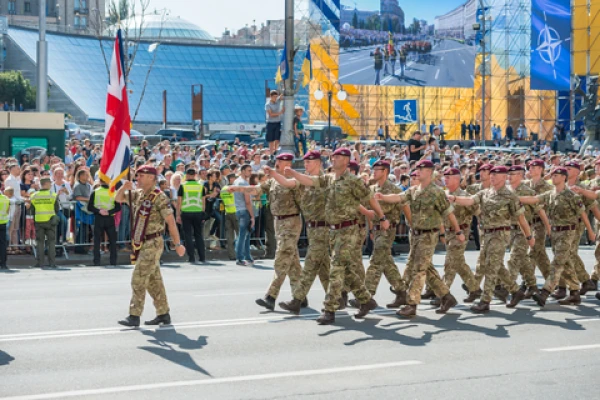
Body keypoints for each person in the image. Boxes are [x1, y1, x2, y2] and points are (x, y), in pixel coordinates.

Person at [286, 147, 388, 325]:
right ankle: (366, 300)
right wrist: (293, 172)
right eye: (332, 156)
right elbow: (309, 181)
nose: (333, 159)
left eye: (337, 157)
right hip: (333, 231)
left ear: (346, 160)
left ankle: (329, 309)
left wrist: (382, 217)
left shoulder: (353, 181)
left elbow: (370, 198)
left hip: (348, 230)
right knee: (346, 269)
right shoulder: (329, 179)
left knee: (336, 269)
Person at [377, 160, 462, 318]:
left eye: (422, 170)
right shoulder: (414, 190)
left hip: (429, 235)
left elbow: (448, 213)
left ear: (429, 172)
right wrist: (382, 197)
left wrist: (458, 231)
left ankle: (412, 304)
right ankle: (447, 297)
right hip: (415, 235)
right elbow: (398, 197)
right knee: (427, 269)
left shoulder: (436, 192)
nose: (418, 172)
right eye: (418, 169)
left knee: (419, 270)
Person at [448, 165, 533, 313]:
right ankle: (516, 290)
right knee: (496, 265)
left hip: (500, 234)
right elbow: (469, 201)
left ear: (504, 177)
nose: (492, 177)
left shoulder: (510, 196)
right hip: (486, 234)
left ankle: (485, 301)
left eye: (496, 174)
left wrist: (529, 236)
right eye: (491, 174)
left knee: (491, 266)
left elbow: (521, 218)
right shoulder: (485, 193)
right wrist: (454, 198)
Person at [230, 153, 302, 311]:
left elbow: (290, 185)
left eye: (280, 161)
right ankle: (300, 296)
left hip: (291, 222)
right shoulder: (273, 181)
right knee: (293, 262)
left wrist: (273, 173)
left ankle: (270, 297)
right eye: (276, 161)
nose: (276, 163)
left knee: (281, 259)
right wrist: (238, 188)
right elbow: (256, 190)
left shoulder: (295, 179)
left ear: (288, 163)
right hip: (279, 223)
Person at [116, 165, 186, 328]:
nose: (137, 178)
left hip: (153, 242)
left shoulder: (159, 197)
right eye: (137, 175)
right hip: (141, 242)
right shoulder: (138, 194)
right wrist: (123, 187)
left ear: (151, 178)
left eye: (141, 175)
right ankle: (163, 313)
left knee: (138, 278)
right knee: (154, 281)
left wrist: (177, 244)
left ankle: (134, 316)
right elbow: (119, 199)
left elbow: (170, 222)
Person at [520, 168, 594, 307]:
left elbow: (583, 214)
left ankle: (545, 292)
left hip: (567, 233)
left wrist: (590, 231)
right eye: (552, 175)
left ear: (564, 178)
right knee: (565, 264)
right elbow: (534, 199)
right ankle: (574, 293)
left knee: (557, 263)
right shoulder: (550, 194)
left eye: (556, 175)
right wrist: (515, 198)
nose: (553, 177)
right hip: (555, 234)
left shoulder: (572, 196)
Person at [278, 150, 330, 314]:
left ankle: (297, 300)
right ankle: (339, 295)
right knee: (323, 266)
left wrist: (293, 172)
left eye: (309, 162)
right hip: (312, 228)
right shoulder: (303, 180)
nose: (306, 164)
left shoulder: (324, 179)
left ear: (318, 163)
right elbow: (288, 183)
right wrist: (273, 172)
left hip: (323, 227)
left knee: (309, 265)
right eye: (305, 162)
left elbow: (308, 180)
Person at [361, 160, 407, 308]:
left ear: (385, 171)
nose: (374, 172)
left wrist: (412, 225)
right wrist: (371, 230)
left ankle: (366, 296)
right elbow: (369, 211)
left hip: (388, 230)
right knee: (386, 262)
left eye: (377, 169)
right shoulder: (372, 189)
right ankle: (401, 292)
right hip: (376, 229)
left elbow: (405, 208)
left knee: (376, 260)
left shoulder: (394, 189)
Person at [438, 168, 481, 302]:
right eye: (445, 177)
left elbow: (478, 212)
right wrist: (442, 232)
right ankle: (475, 288)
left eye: (448, 177)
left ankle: (443, 294)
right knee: (458, 263)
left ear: (457, 179)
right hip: (448, 231)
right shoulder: (444, 194)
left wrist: (483, 228)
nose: (445, 179)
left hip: (461, 232)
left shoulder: (464, 195)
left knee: (450, 262)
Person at [506, 165, 549, 298]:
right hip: (509, 230)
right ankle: (533, 286)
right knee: (524, 260)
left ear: (520, 175)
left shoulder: (528, 191)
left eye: (513, 173)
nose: (509, 176)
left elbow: (539, 210)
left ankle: (508, 287)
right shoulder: (505, 190)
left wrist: (548, 226)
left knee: (514, 259)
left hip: (523, 230)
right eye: (509, 173)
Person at [525, 160, 554, 284]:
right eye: (529, 167)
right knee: (540, 254)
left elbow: (552, 206)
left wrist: (549, 226)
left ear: (541, 169)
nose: (530, 169)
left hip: (540, 223)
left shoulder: (548, 187)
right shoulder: (525, 185)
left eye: (534, 167)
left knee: (533, 250)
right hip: (527, 223)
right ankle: (552, 280)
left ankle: (527, 283)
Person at [176, 168, 206, 264]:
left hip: (186, 212)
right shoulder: (200, 186)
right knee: (198, 235)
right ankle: (202, 257)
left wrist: (178, 215)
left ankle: (191, 257)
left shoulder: (182, 186)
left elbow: (179, 202)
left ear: (187, 175)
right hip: (198, 211)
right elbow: (203, 201)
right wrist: (203, 213)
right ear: (195, 175)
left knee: (188, 235)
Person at [88, 181, 121, 266]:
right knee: (113, 241)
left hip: (99, 217)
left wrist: (99, 211)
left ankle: (97, 261)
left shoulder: (95, 191)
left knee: (97, 240)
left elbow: (89, 207)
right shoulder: (114, 192)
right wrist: (109, 212)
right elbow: (118, 207)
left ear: (100, 181)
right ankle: (113, 261)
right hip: (110, 218)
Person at [29, 178, 60, 269]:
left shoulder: (34, 195)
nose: (51, 185)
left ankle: (40, 262)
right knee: (51, 242)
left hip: (39, 221)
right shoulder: (53, 195)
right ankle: (52, 263)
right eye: (50, 183)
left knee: (40, 242)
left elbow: (32, 210)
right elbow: (57, 209)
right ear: (46, 184)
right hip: (50, 221)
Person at [231, 164, 254, 265]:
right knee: (243, 234)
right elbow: (247, 201)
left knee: (245, 234)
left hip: (238, 210)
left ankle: (247, 256)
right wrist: (252, 216)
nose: (250, 172)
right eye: (249, 170)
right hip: (244, 210)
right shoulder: (244, 183)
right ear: (243, 171)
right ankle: (240, 258)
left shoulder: (236, 181)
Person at [220, 173, 239, 260]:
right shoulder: (234, 189)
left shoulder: (223, 189)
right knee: (240, 235)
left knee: (229, 235)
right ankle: (241, 254)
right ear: (231, 179)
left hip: (227, 212)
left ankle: (232, 255)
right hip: (236, 212)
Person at [265, 90, 284, 159]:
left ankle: (276, 150)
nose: (275, 98)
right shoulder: (268, 105)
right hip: (270, 123)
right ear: (271, 97)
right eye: (274, 97)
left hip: (278, 122)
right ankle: (271, 153)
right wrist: (280, 113)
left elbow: (282, 96)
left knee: (277, 138)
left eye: (276, 96)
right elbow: (271, 114)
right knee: (271, 140)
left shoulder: (278, 101)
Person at [0, 189, 9, 269]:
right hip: (3, 223)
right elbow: (7, 210)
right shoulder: (5, 198)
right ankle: (3, 263)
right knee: (2, 244)